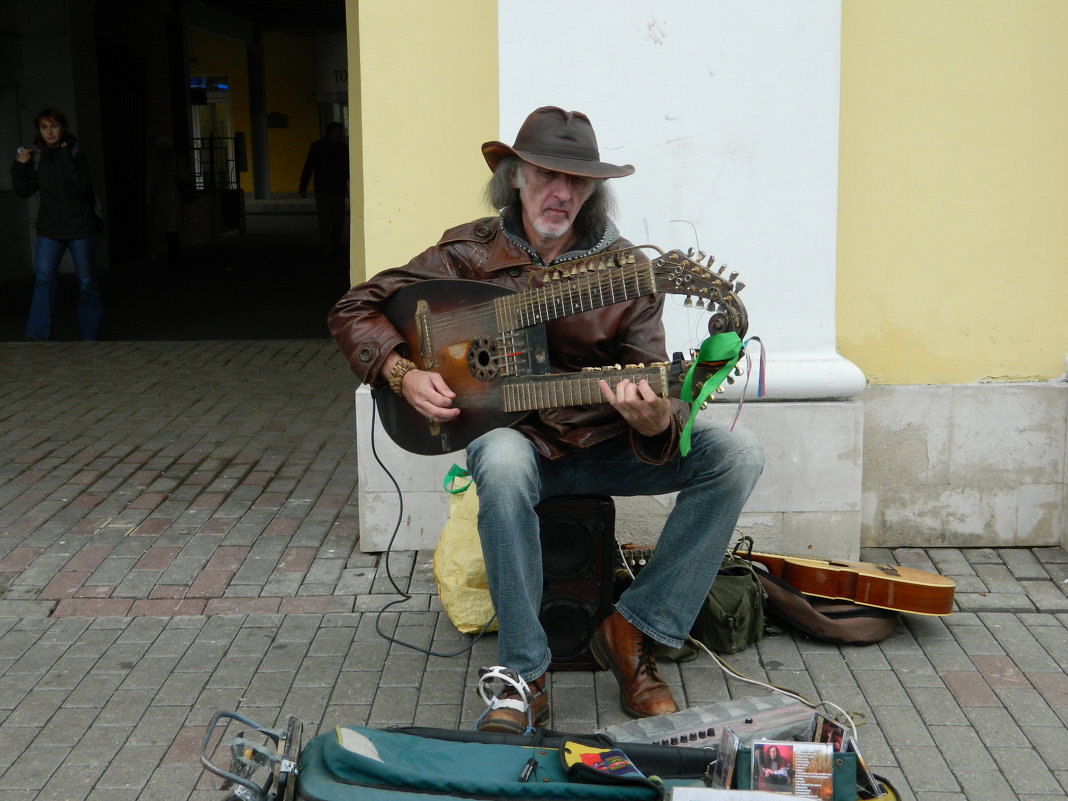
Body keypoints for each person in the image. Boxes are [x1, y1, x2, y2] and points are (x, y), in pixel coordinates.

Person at [328, 107, 764, 734]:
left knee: (737, 453)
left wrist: (651, 421)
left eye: (576, 181)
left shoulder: (625, 273)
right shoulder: (466, 253)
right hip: (519, 445)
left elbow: (649, 379)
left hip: (605, 441)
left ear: (591, 191)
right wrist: (402, 372)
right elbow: (354, 307)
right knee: (501, 459)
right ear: (514, 175)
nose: (560, 193)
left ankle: (635, 632)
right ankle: (522, 677)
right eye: (544, 174)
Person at [12, 107, 103, 341]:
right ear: (39, 131)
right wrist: (20, 165)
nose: (49, 132)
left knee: (86, 282)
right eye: (44, 127)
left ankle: (90, 336)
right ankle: (38, 335)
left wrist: (64, 156)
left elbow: (81, 188)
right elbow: (24, 190)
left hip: (80, 227)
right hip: (49, 229)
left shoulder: (76, 154)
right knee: (43, 280)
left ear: (63, 128)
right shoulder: (37, 157)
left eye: (54, 126)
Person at [299, 121, 349, 257]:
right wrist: (303, 186)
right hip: (323, 189)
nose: (340, 134)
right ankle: (328, 248)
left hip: (336, 188)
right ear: (330, 132)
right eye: (338, 132)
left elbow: (348, 169)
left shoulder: (343, 148)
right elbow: (309, 166)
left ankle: (332, 245)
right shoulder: (318, 147)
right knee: (325, 220)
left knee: (338, 221)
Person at [146, 135, 195, 269]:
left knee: (171, 230)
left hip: (173, 200)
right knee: (167, 230)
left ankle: (174, 257)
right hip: (164, 201)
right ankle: (174, 256)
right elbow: (150, 183)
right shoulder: (158, 164)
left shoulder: (176, 162)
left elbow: (187, 178)